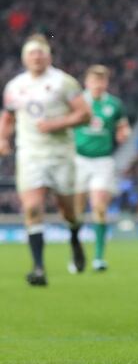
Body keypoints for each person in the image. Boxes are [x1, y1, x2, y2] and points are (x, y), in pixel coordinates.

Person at [0, 34, 91, 285]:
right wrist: (2, 139)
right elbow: (8, 117)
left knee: (68, 211)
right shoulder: (14, 86)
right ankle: (38, 268)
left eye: (41, 52)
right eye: (32, 53)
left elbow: (84, 114)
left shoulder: (64, 82)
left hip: (60, 154)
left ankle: (74, 236)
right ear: (25, 58)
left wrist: (55, 123)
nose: (37, 57)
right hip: (30, 154)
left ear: (48, 56)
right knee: (32, 208)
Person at [73, 65, 130, 271]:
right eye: (94, 81)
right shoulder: (77, 102)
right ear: (86, 82)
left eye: (102, 81)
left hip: (103, 161)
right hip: (78, 160)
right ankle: (77, 253)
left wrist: (124, 133)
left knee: (99, 207)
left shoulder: (114, 104)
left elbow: (123, 126)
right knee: (76, 211)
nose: (98, 85)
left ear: (106, 83)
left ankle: (98, 257)